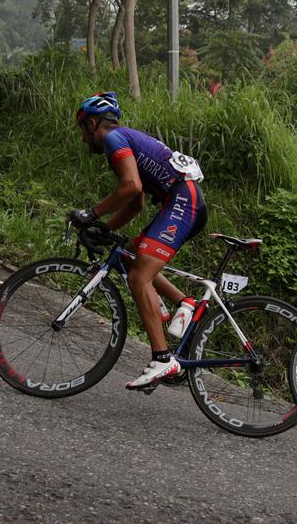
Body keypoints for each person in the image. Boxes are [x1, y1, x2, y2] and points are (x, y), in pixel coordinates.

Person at [69, 91, 207, 389]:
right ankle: (186, 302)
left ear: (93, 123)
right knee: (129, 256)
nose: (83, 138)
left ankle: (162, 359)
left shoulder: (113, 139)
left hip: (184, 200)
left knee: (139, 277)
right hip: (181, 199)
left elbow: (130, 187)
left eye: (82, 130)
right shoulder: (124, 140)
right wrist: (105, 228)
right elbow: (136, 203)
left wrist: (89, 214)